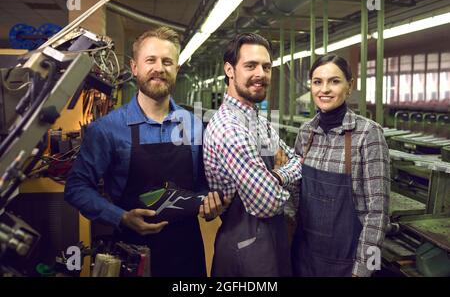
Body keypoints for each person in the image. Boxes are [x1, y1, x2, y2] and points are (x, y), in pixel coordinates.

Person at [65, 27, 224, 277]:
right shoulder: (107, 130)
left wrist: (209, 201)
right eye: (151, 60)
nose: (159, 68)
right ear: (134, 67)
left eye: (167, 61)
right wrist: (121, 217)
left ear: (176, 69)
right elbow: (76, 187)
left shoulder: (194, 126)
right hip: (131, 253)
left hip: (187, 254)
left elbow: (203, 184)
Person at [203, 33, 302, 276]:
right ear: (230, 70)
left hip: (270, 243)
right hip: (245, 250)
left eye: (266, 67)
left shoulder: (256, 120)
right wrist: (280, 176)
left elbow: (299, 161)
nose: (261, 73)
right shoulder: (230, 128)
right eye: (250, 66)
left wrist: (276, 177)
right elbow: (267, 202)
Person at [291, 54, 390, 277]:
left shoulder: (368, 134)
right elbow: (296, 196)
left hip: (348, 267)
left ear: (349, 86)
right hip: (304, 258)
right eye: (317, 82)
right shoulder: (306, 133)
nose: (324, 89)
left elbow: (378, 214)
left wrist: (365, 270)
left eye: (334, 81)